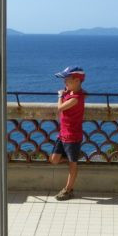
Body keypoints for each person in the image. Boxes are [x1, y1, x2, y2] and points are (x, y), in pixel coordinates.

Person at [49, 66, 86, 200]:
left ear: (77, 80)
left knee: (72, 165)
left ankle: (68, 189)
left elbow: (60, 108)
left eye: (67, 80)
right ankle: (75, 157)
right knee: (53, 160)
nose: (65, 82)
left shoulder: (76, 98)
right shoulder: (70, 93)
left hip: (73, 136)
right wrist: (65, 93)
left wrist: (60, 95)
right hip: (63, 133)